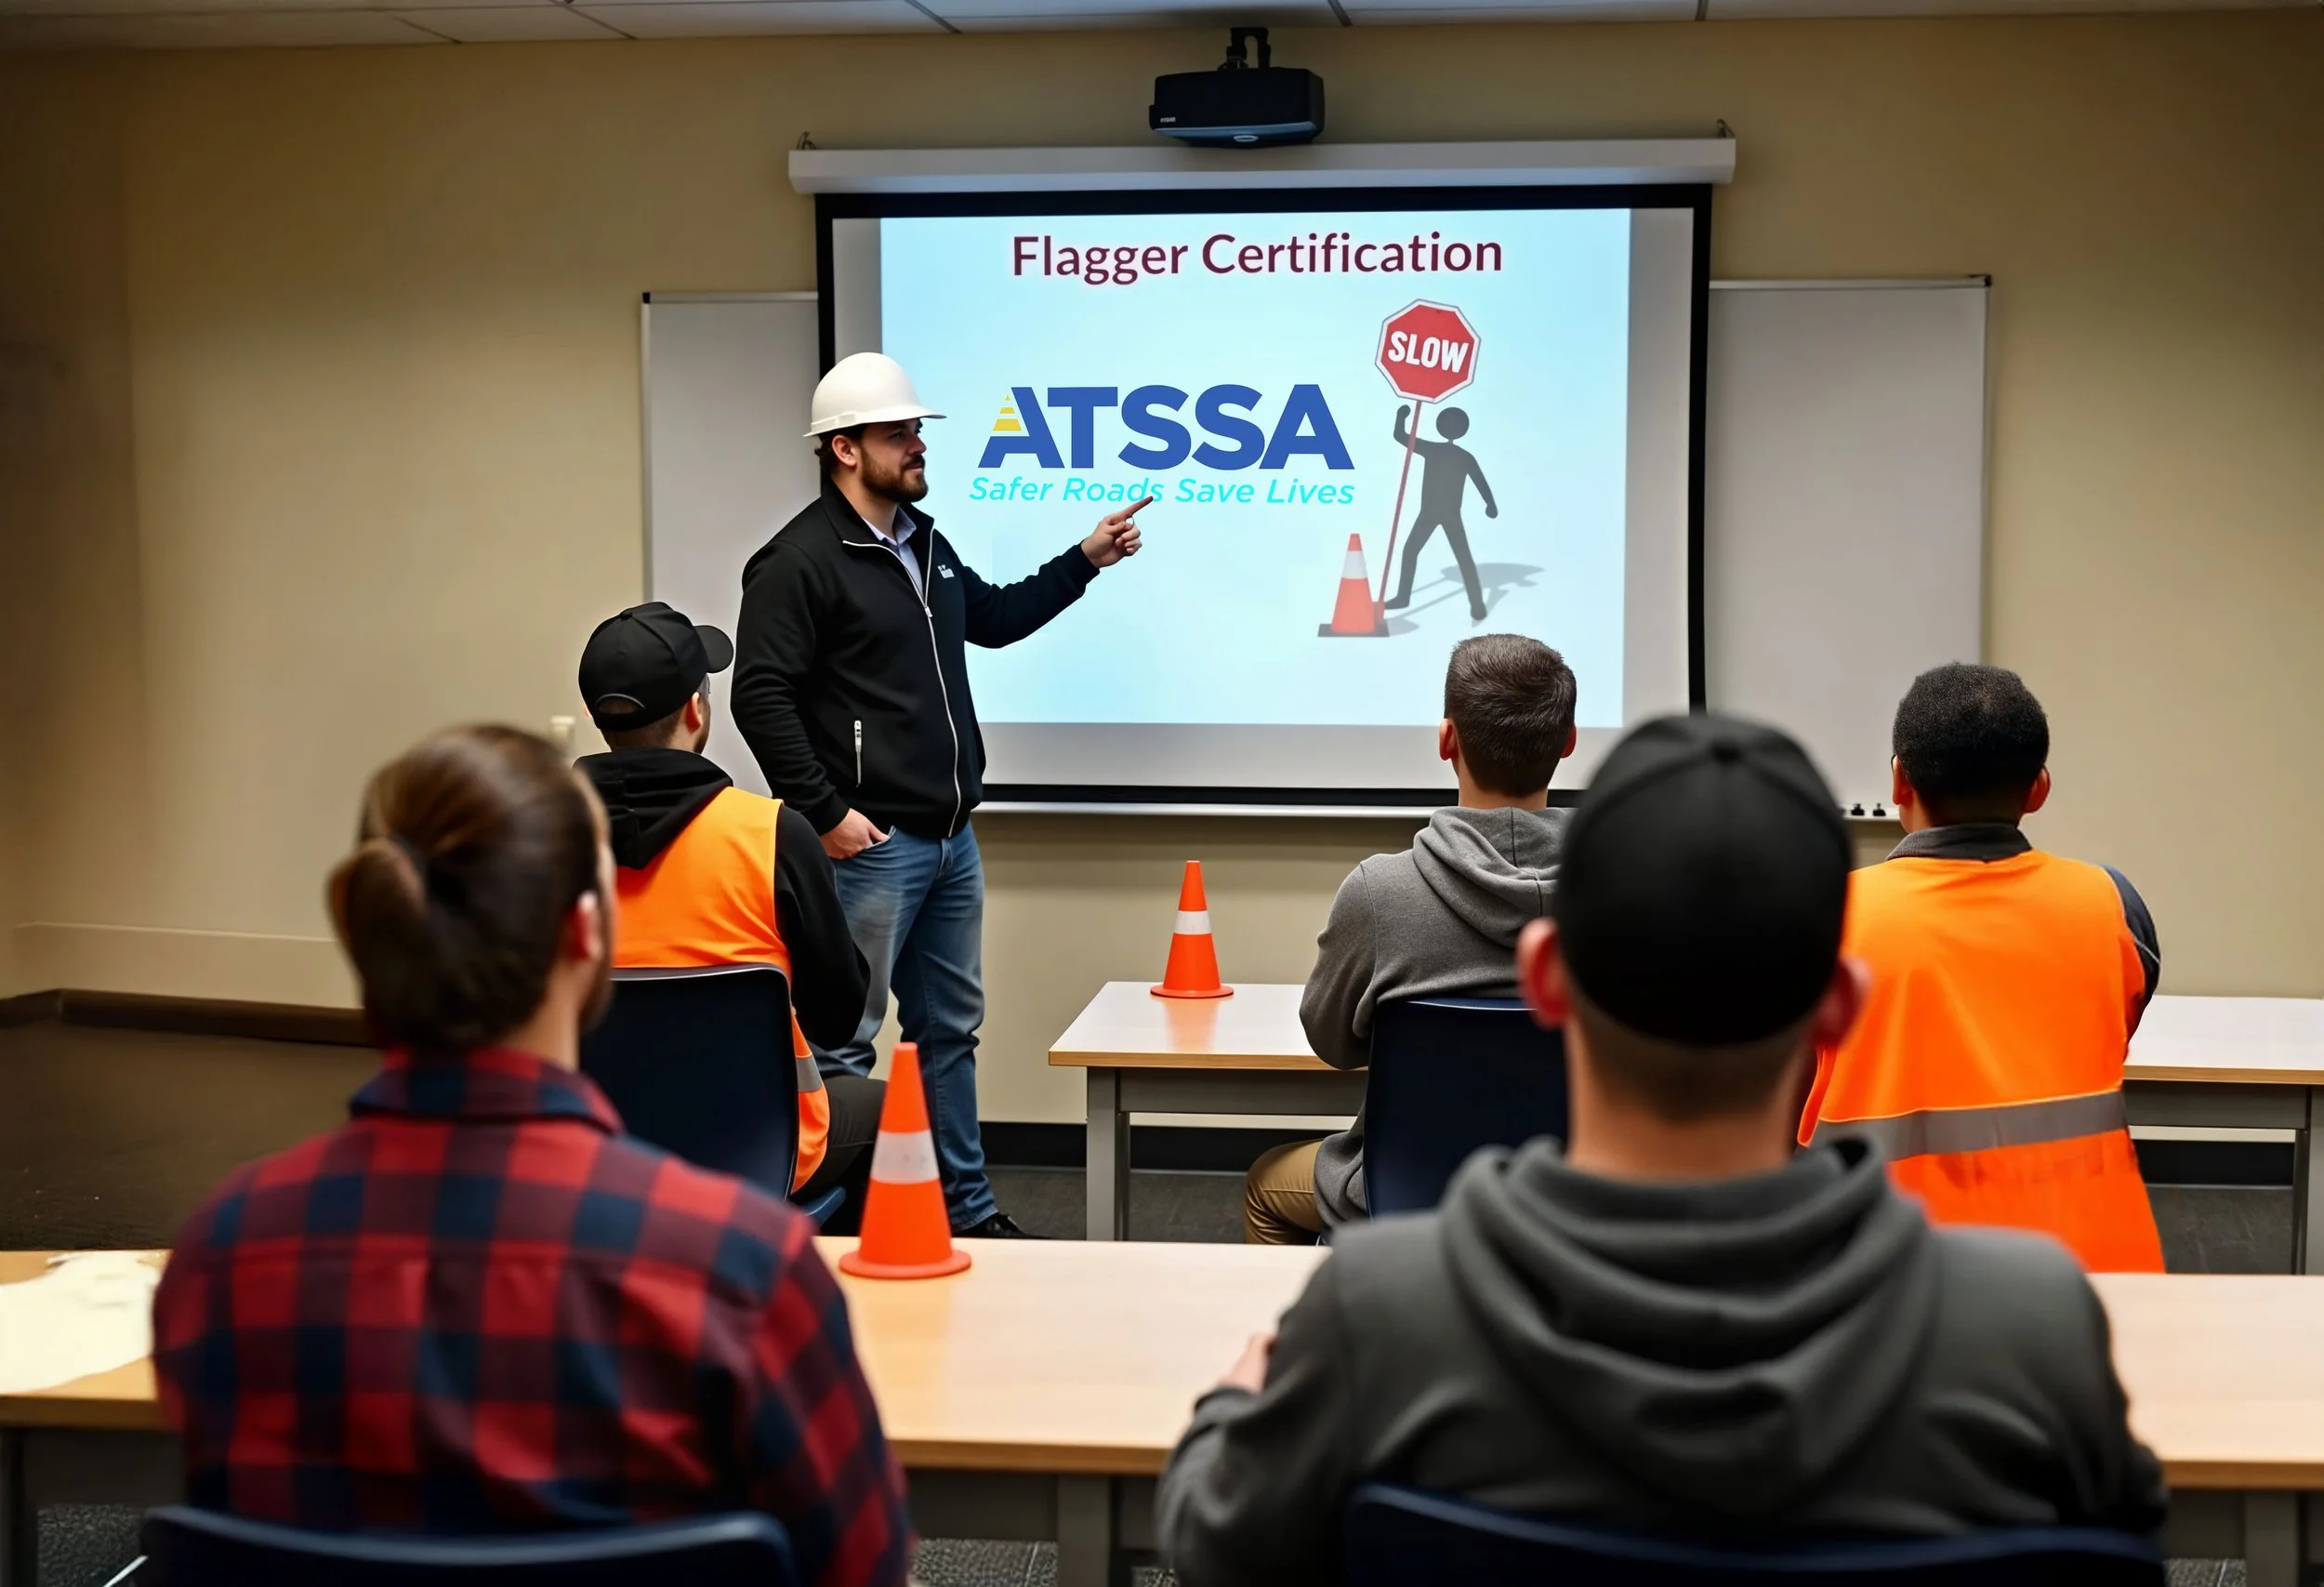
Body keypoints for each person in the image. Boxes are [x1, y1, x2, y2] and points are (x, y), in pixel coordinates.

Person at [1157, 714, 2166, 1587]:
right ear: (1840, 1002)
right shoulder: (2032, 1327)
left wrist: (1232, 1402)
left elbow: (1217, 1544)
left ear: (1546, 981)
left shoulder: (1380, 1310)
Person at [151, 726, 912, 1585]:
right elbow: (864, 1568)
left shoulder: (221, 1257)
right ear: (588, 934)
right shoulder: (737, 1272)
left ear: (367, 936)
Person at [733, 351, 1146, 1239]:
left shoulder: (924, 540)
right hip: (872, 845)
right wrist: (825, 813)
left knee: (948, 1035)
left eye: (917, 430)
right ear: (844, 449)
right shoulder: (797, 561)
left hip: (952, 839)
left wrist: (1085, 560)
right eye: (899, 434)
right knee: (844, 1042)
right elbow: (757, 696)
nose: (918, 446)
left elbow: (991, 619)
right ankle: (831, 1231)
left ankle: (967, 1211)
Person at [1801, 663, 2166, 1272]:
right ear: (2038, 788)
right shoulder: (2116, 906)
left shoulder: (1824, 919)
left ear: (1899, 781)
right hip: (2091, 1276)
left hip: (1882, 1277)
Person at [1245, 633, 1576, 1244]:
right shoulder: (1623, 895)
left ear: (1446, 738)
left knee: (1266, 1186)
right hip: (1571, 1202)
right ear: (1569, 742)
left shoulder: (1381, 891)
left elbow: (1333, 1044)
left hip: (1405, 1195)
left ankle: (1331, 1333)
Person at [574, 600, 880, 1229]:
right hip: (758, 1155)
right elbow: (838, 1013)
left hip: (585, 1156)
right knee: (892, 1108)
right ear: (696, 709)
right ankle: (841, 1310)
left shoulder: (537, 840)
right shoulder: (772, 834)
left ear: (597, 717)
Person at [1383, 403, 1497, 622]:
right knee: (1415, 552)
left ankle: (1476, 604)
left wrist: (1401, 416)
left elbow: (1480, 482)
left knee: (1454, 557)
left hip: (1445, 514)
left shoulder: (1440, 451)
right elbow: (1400, 436)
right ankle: (1405, 598)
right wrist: (1490, 504)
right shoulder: (1459, 455)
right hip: (1432, 513)